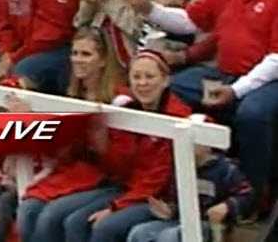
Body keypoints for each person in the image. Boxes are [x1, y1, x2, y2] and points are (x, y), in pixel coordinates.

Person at [128, 0, 278, 209]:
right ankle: (171, 180)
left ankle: (254, 196)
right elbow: (191, 20)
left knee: (252, 113)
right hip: (227, 72)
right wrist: (149, 9)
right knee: (166, 90)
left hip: (268, 80)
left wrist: (237, 91)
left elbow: (276, 59)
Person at [61, 51, 192, 242]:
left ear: (165, 81)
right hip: (127, 189)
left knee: (105, 228)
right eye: (136, 77)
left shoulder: (177, 118)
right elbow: (119, 168)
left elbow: (157, 179)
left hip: (162, 199)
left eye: (149, 77)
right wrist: (102, 144)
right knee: (72, 221)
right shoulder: (127, 112)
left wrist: (115, 207)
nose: (142, 83)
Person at [13, 28, 120, 242]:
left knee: (52, 216)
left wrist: (99, 140)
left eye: (86, 54)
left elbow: (120, 160)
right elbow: (62, 149)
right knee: (28, 209)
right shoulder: (71, 96)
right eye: (75, 53)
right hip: (75, 172)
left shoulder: (119, 98)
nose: (78, 60)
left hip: (108, 179)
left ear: (103, 60)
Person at [126, 144, 254, 242]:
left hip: (209, 224)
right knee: (138, 232)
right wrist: (169, 209)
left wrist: (227, 206)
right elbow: (174, 198)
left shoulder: (226, 169)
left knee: (169, 237)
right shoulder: (178, 167)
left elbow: (246, 194)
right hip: (180, 219)